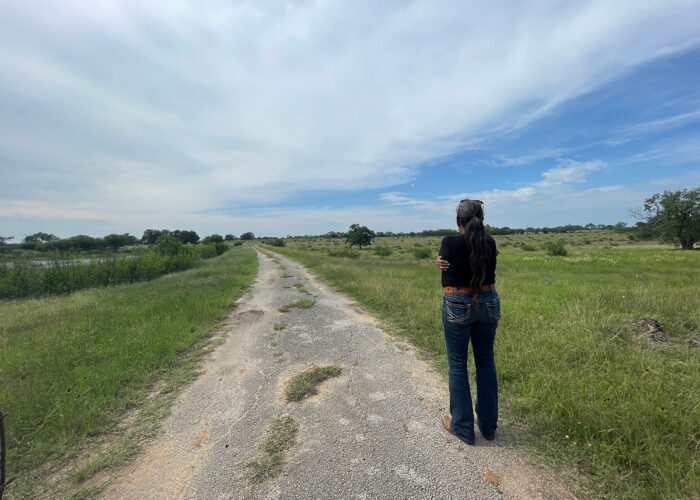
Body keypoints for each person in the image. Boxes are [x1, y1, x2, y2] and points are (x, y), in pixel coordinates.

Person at [436, 199, 500, 445]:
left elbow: (447, 264)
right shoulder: (490, 242)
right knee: (486, 362)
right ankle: (488, 426)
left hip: (457, 302)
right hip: (489, 301)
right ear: (481, 219)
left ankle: (462, 426)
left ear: (458, 221)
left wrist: (439, 262)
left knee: (457, 363)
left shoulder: (449, 242)